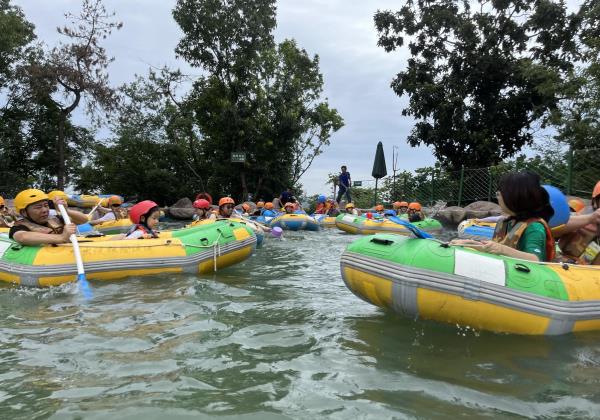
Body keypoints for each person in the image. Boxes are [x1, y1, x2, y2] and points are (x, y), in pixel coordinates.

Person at [451, 171, 556, 262]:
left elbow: (536, 259)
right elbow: (493, 248)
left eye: (498, 194)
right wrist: (470, 243)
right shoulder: (506, 223)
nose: (497, 198)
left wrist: (502, 249)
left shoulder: (534, 227)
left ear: (514, 196)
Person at [9, 188, 88, 245]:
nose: (44, 210)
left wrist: (66, 211)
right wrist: (62, 237)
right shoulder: (19, 227)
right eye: (38, 207)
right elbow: (22, 237)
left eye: (46, 205)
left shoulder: (55, 219)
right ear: (24, 212)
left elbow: (83, 220)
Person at [555, 181, 600, 264]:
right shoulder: (583, 215)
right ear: (595, 201)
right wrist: (590, 218)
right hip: (566, 263)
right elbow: (554, 229)